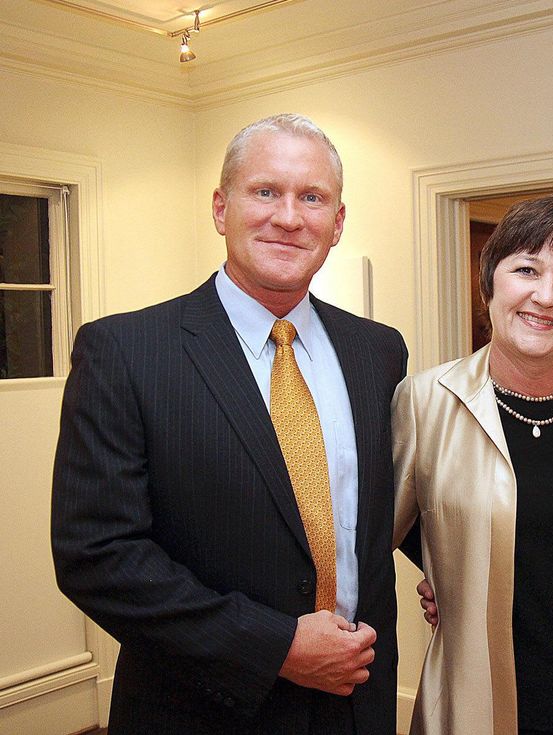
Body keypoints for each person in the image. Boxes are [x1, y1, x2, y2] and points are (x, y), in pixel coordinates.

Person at [51, 113, 407, 734]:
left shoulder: (378, 351)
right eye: (265, 191)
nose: (289, 217)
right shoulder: (127, 351)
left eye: (313, 198)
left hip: (357, 705)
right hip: (202, 708)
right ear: (221, 208)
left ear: (338, 223)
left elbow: (389, 506)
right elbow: (98, 555)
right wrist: (275, 648)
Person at [392, 194, 553, 734]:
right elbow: (372, 537)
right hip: (481, 711)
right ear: (489, 283)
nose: (545, 296)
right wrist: (453, 574)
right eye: (526, 269)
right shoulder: (424, 402)